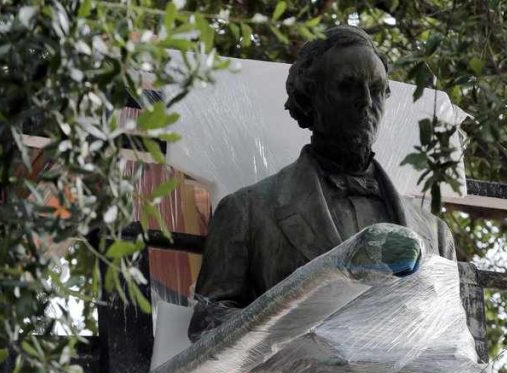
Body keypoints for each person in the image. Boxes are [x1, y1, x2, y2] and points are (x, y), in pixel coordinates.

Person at [189, 25, 456, 339]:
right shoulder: (247, 212)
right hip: (293, 371)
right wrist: (294, 334)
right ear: (309, 100)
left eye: (376, 89)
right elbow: (208, 326)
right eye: (347, 87)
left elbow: (456, 340)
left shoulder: (435, 234)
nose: (366, 102)